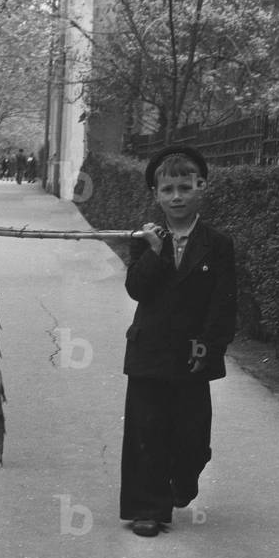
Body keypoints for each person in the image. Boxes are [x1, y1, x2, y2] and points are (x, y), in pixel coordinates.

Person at [120, 145, 237, 537]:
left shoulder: (217, 245)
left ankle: (182, 481)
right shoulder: (147, 238)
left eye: (185, 188)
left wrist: (209, 347)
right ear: (156, 194)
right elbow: (137, 289)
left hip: (192, 355)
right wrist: (154, 252)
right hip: (149, 352)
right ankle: (146, 509)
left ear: (200, 188)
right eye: (167, 190)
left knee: (192, 438)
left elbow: (224, 303)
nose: (176, 197)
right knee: (145, 433)